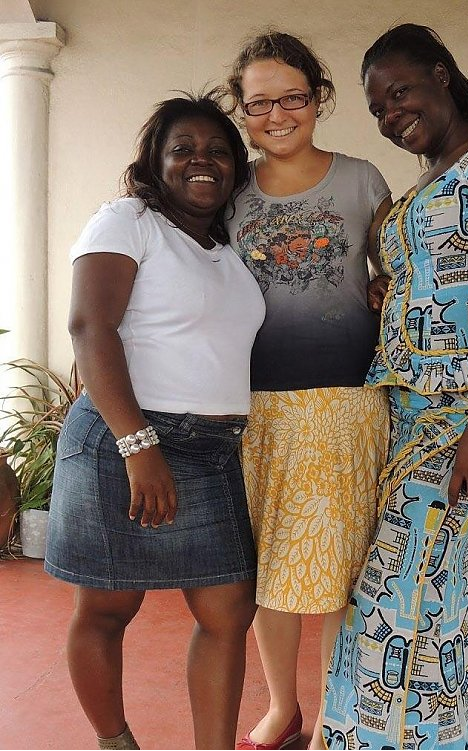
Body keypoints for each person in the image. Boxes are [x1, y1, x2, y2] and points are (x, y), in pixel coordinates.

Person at [321, 24, 468, 750]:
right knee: (452, 590)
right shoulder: (432, 178)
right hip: (401, 405)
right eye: (378, 109)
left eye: (400, 93)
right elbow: (432, 273)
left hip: (459, 415)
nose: (391, 115)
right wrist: (390, 288)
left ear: (442, 76)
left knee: (400, 589)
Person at [43, 91, 266, 751]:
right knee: (110, 609)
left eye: (218, 150)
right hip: (125, 437)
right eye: (185, 149)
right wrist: (138, 446)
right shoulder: (128, 220)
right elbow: (90, 326)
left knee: (228, 611)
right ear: (155, 162)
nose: (203, 161)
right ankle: (115, 741)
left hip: (213, 449)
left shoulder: (224, 249)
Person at [224, 31, 393, 751]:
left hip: (343, 404)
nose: (277, 115)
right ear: (241, 110)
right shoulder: (229, 194)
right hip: (252, 407)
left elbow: (395, 278)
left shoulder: (361, 180)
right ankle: (281, 705)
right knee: (269, 567)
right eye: (258, 102)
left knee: (334, 568)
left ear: (317, 98)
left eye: (291, 97)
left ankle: (334, 713)